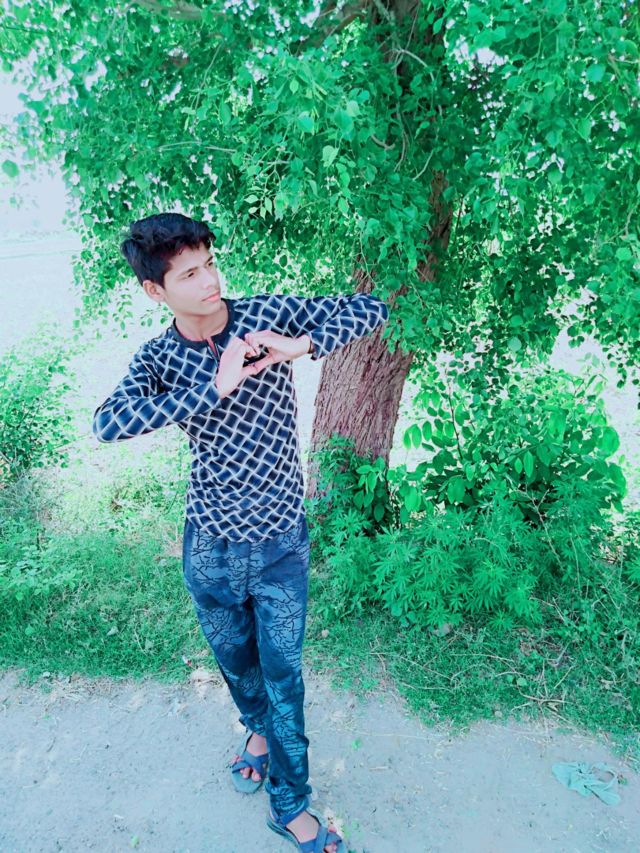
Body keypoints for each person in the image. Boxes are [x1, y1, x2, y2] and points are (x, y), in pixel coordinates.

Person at [92, 211, 389, 852]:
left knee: (284, 679)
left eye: (210, 264)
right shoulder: (158, 357)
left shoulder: (264, 316)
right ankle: (254, 730)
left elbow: (369, 310)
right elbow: (108, 422)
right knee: (236, 664)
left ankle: (290, 804)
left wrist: (300, 345)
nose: (209, 281)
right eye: (189, 274)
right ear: (155, 290)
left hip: (280, 543)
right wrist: (212, 386)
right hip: (211, 547)